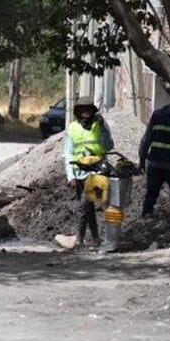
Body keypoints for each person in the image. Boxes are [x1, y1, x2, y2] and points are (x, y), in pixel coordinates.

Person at [63, 95, 114, 251]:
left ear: (92, 111)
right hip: (79, 173)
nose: (85, 112)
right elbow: (69, 153)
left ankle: (79, 240)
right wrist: (70, 176)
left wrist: (103, 127)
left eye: (88, 109)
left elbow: (109, 146)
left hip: (97, 171)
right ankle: (96, 238)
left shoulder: (100, 125)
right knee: (89, 207)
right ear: (78, 112)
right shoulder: (72, 128)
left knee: (83, 206)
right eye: (82, 110)